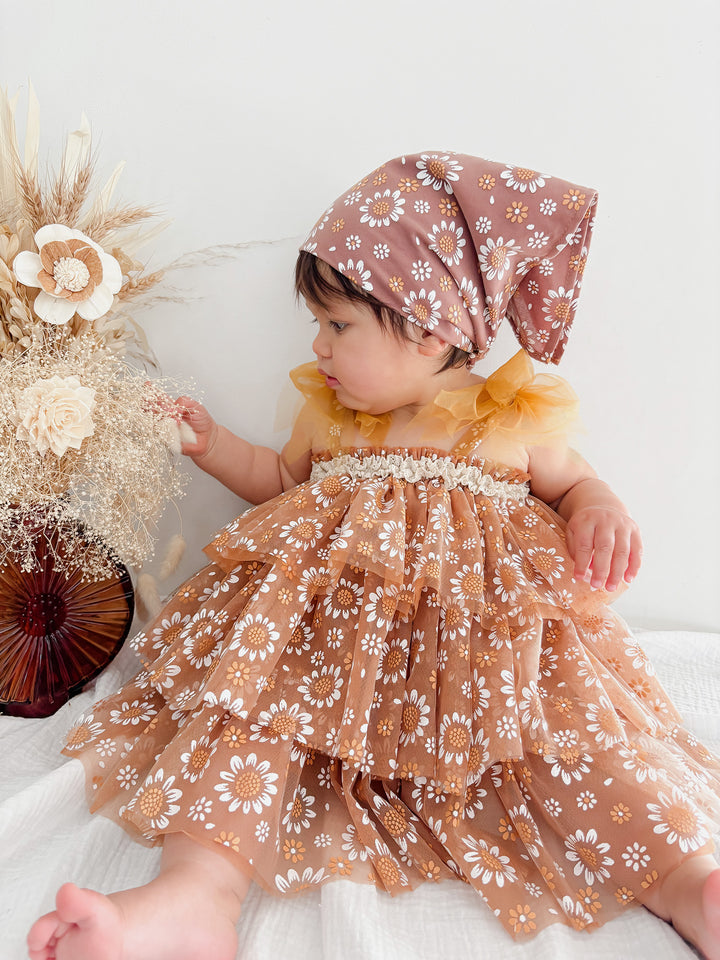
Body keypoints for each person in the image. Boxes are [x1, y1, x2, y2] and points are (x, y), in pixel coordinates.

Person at [27, 152, 720, 960]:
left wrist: (599, 511)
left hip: (482, 674)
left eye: (338, 325)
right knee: (250, 727)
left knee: (577, 749)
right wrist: (213, 446)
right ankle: (193, 899)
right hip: (325, 669)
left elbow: (577, 486)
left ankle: (688, 880)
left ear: (430, 327)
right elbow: (282, 483)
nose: (318, 346)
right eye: (319, 326)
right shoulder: (331, 419)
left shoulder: (509, 419)